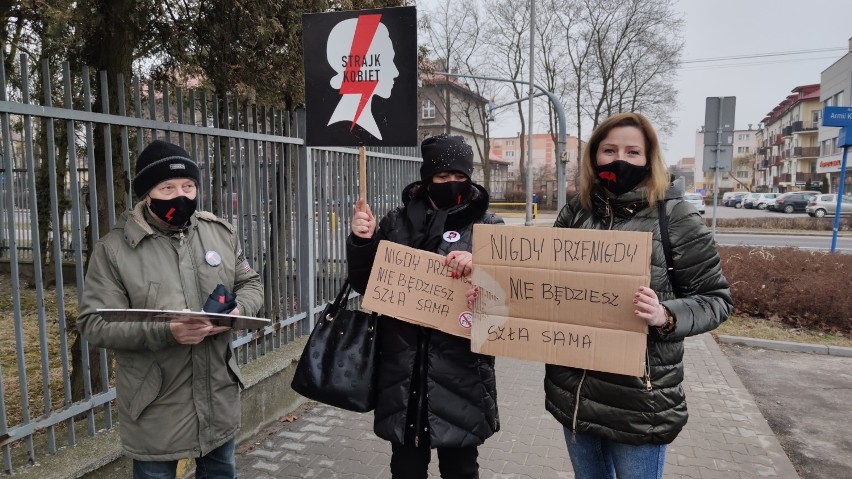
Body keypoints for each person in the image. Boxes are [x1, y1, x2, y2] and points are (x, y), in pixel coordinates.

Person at [544, 112, 732, 478]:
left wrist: (666, 314)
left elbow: (716, 299)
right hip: (576, 392)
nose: (619, 160)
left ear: (649, 159)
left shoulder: (676, 216)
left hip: (639, 401)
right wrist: (486, 270)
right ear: (594, 156)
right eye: (609, 150)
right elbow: (537, 276)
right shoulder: (577, 211)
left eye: (633, 152)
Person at [77, 140, 264, 479]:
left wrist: (236, 315)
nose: (181, 196)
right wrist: (167, 331)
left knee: (221, 472)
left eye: (188, 185)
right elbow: (94, 323)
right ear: (146, 194)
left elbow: (251, 284)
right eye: (167, 187)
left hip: (217, 397)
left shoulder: (218, 233)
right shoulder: (114, 250)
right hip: (156, 406)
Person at [347, 134, 503, 479]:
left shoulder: (488, 226)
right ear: (426, 178)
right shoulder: (396, 222)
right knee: (405, 466)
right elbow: (366, 284)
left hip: (461, 370)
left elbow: (504, 299)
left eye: (460, 177)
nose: (451, 184)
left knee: (461, 467)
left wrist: (480, 266)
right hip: (404, 369)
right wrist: (362, 242)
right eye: (442, 177)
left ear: (470, 177)